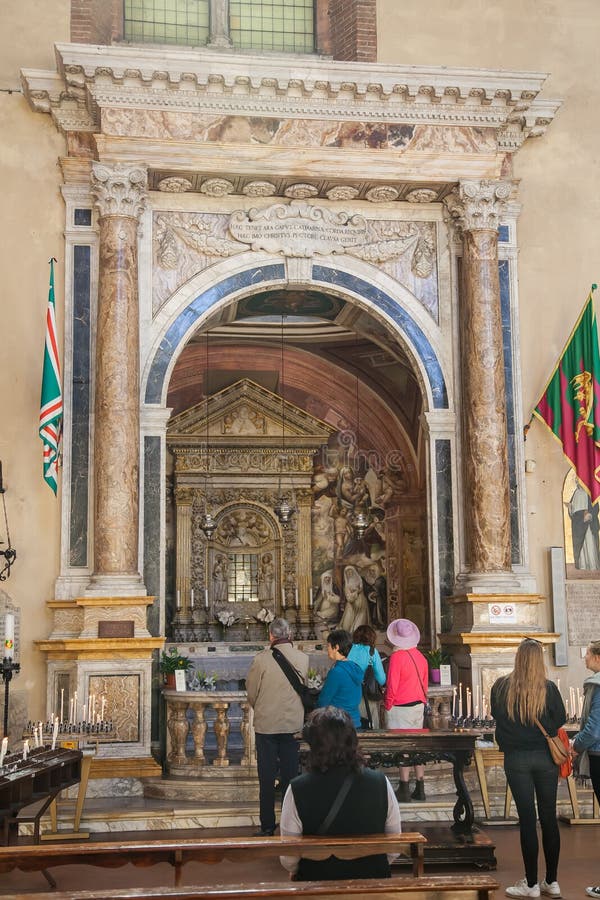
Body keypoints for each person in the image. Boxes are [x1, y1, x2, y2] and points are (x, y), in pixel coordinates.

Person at [279, 706, 401, 880]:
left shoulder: (297, 789)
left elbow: (288, 857)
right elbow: (395, 845)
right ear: (353, 741)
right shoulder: (381, 783)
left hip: (317, 886)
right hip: (372, 887)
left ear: (314, 746)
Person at [490, 638, 566, 899]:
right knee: (549, 818)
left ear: (518, 658)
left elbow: (497, 716)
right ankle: (552, 882)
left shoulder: (501, 687)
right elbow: (559, 721)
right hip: (545, 759)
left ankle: (531, 884)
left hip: (516, 760)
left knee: (527, 820)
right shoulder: (549, 689)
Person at [246, 617, 309, 836]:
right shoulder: (302, 658)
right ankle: (289, 824)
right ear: (289, 634)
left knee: (266, 775)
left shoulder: (261, 659)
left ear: (271, 636)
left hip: (267, 724)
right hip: (292, 724)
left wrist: (263, 708)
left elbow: (252, 692)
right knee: (291, 776)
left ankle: (266, 825)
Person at [384, 618, 429, 801]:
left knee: (403, 746)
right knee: (416, 745)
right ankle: (420, 786)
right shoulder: (421, 657)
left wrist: (387, 704)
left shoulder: (397, 657)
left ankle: (404, 787)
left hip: (400, 706)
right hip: (418, 704)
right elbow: (425, 685)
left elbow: (392, 685)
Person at [570, 640, 600, 898]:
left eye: (588, 654)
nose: (585, 658)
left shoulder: (598, 686)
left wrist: (575, 746)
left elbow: (594, 727)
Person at [317, 629, 363, 729]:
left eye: (328, 646)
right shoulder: (355, 668)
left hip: (338, 724)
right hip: (354, 721)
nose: (327, 649)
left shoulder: (337, 672)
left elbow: (323, 701)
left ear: (336, 647)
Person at [348, 624, 386, 729]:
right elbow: (381, 679)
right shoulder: (372, 652)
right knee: (371, 727)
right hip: (367, 696)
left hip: (350, 695)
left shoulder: (349, 650)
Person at [568, 483, 600, 570]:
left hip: (588, 523)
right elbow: (572, 510)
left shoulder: (590, 493)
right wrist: (570, 508)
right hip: (578, 524)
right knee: (580, 547)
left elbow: (596, 507)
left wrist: (589, 514)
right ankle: (582, 566)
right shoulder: (576, 493)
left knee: (590, 544)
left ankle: (593, 565)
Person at [339, 564, 369, 633]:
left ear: (354, 571)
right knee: (347, 624)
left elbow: (362, 589)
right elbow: (348, 595)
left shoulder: (360, 580)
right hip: (351, 604)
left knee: (360, 622)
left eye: (350, 571)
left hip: (361, 602)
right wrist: (354, 593)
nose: (349, 573)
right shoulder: (346, 584)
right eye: (347, 572)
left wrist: (358, 591)